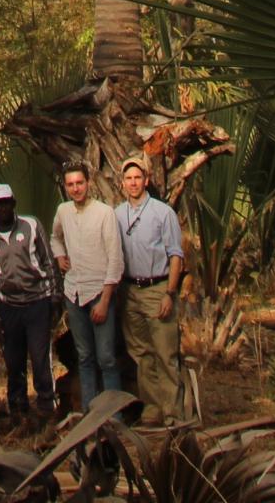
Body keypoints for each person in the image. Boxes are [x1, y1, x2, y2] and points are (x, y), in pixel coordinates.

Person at [0, 181, 61, 433]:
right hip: (9, 306)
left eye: (5, 203)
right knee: (13, 362)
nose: (2, 208)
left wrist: (55, 295)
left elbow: (48, 261)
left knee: (39, 359)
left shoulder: (31, 225)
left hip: (37, 302)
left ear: (13, 203)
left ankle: (47, 408)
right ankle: (18, 411)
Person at [114, 157, 185, 425]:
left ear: (146, 180)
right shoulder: (118, 215)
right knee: (141, 353)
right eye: (128, 178)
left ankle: (173, 412)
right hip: (130, 290)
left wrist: (170, 292)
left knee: (166, 353)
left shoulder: (162, 213)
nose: (133, 183)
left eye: (137, 178)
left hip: (158, 288)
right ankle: (153, 408)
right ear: (122, 183)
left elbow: (176, 255)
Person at [50, 158, 124, 410]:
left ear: (88, 183)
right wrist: (60, 255)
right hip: (74, 293)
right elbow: (55, 237)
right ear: (66, 187)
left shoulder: (104, 213)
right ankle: (90, 415)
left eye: (79, 183)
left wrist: (105, 300)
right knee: (85, 357)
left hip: (99, 293)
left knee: (106, 358)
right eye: (70, 184)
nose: (76, 188)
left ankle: (113, 415)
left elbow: (115, 259)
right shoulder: (63, 212)